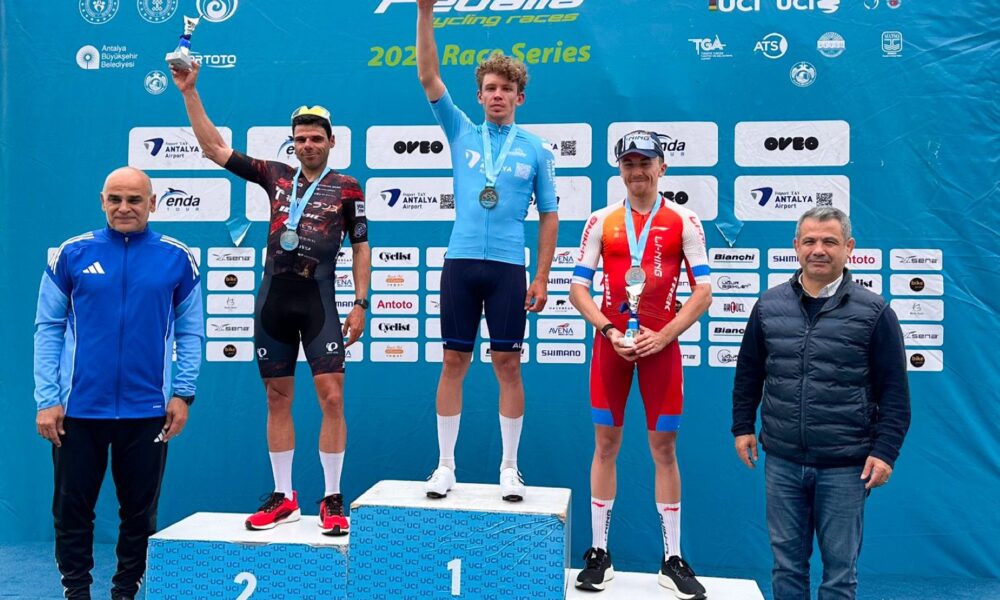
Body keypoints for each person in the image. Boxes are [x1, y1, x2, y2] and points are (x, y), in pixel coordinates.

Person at [171, 62, 371, 535]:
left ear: (331, 142)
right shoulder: (275, 176)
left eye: (316, 138)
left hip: (320, 300)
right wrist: (189, 91)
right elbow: (214, 148)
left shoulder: (348, 187)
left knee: (332, 396)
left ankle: (333, 498)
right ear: (292, 144)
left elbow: (361, 246)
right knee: (277, 397)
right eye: (300, 139)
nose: (308, 145)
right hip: (273, 302)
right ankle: (285, 497)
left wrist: (361, 302)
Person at [34, 166, 203, 600]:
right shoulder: (71, 254)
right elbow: (48, 328)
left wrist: (183, 394)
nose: (124, 208)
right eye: (115, 199)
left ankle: (125, 591)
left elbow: (191, 332)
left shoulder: (177, 258)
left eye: (134, 199)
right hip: (77, 411)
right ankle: (77, 592)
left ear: (153, 203)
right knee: (71, 511)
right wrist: (48, 399)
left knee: (139, 514)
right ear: (102, 202)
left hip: (148, 411)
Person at [416, 0, 559, 502]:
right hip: (460, 263)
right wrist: (425, 11)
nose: (498, 95)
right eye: (490, 88)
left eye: (506, 89)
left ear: (520, 96)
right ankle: (444, 466)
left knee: (508, 365)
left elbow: (549, 215)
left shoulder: (536, 148)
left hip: (507, 268)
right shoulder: (460, 130)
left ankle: (510, 468)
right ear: (479, 96)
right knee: (453, 361)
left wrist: (541, 276)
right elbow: (428, 76)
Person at [732, 207, 911, 600]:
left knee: (840, 575)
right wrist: (743, 426)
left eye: (830, 241)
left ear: (849, 248)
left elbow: (895, 393)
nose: (818, 249)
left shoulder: (875, 312)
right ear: (796, 246)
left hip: (846, 466)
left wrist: (885, 452)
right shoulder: (768, 306)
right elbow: (749, 373)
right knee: (786, 568)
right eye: (810, 241)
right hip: (782, 461)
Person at [570, 131, 712, 598]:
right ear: (620, 170)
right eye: (629, 163)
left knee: (664, 450)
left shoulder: (684, 220)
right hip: (611, 347)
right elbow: (578, 288)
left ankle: (672, 558)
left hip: (660, 348)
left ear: (662, 167)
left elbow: (704, 292)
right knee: (605, 445)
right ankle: (599, 553)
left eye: (645, 162)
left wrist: (665, 335)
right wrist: (609, 331)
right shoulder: (601, 220)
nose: (637, 171)